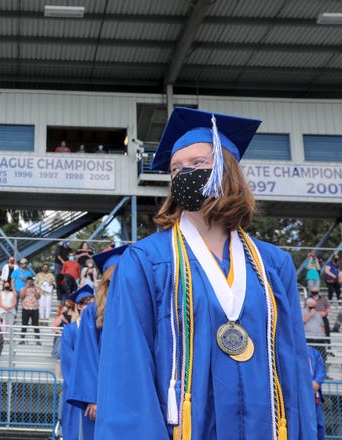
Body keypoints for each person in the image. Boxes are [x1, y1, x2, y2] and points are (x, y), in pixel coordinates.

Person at [96, 107, 316, 439]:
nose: (184, 174)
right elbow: (127, 375)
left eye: (198, 164)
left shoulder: (273, 265)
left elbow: (293, 367)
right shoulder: (145, 262)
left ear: (227, 171)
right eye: (175, 169)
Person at [66, 246, 127, 440]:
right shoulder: (93, 312)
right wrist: (92, 397)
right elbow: (87, 354)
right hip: (103, 392)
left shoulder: (135, 306)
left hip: (129, 388)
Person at [60, 285, 94, 440]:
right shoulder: (70, 330)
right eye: (87, 303)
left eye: (93, 303)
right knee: (75, 432)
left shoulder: (99, 329)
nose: (91, 307)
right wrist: (84, 389)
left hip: (94, 394)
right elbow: (69, 362)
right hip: (76, 392)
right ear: (79, 307)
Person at [307, 345, 326, 440]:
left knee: (319, 425)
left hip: (314, 397)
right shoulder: (290, 352)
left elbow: (321, 370)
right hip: (298, 398)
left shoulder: (313, 353)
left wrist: (317, 382)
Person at [19, 276, 41, 345]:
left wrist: (34, 288)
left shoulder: (36, 288)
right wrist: (26, 287)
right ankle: (22, 339)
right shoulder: (23, 288)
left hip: (34, 308)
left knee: (36, 324)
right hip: (26, 308)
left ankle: (37, 340)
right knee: (24, 324)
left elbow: (38, 297)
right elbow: (21, 297)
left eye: (31, 281)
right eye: (28, 281)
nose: (30, 282)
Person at [304, 297, 327, 362]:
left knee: (322, 357)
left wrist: (323, 335)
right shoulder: (302, 311)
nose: (314, 307)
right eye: (312, 305)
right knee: (310, 358)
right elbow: (302, 321)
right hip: (309, 338)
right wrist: (311, 314)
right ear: (307, 304)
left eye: (315, 305)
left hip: (319, 338)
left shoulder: (317, 314)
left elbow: (322, 326)